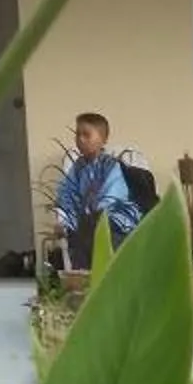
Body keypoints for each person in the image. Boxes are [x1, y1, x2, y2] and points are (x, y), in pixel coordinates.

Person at [54, 112, 140, 270]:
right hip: (88, 225)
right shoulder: (78, 168)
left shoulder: (112, 166)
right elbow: (67, 195)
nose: (80, 139)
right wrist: (64, 221)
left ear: (103, 139)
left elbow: (112, 198)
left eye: (87, 135)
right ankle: (84, 281)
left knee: (92, 233)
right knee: (77, 235)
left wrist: (90, 218)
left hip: (115, 223)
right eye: (78, 134)